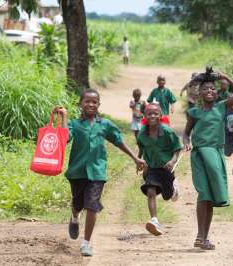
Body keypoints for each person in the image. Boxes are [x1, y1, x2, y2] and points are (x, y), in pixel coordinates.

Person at [54, 89, 146, 257]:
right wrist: (64, 117)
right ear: (80, 104)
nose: (90, 104)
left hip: (97, 172)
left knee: (92, 206)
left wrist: (135, 158)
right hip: (77, 171)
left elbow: (119, 141)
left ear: (98, 105)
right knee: (78, 204)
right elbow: (64, 138)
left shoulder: (105, 124)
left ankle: (86, 243)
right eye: (87, 101)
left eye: (94, 102)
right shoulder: (75, 124)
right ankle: (75, 216)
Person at [182, 71, 233, 250]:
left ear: (216, 92)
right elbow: (186, 133)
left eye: (212, 88)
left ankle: (203, 237)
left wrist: (225, 76)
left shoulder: (222, 106)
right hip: (200, 155)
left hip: (216, 155)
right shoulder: (194, 112)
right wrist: (186, 142)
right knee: (203, 193)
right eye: (205, 89)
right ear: (200, 93)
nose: (209, 91)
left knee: (210, 197)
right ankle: (200, 236)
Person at [137, 103, 182, 236]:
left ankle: (173, 188)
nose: (153, 115)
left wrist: (172, 160)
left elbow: (177, 148)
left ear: (161, 115)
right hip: (151, 168)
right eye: (149, 113)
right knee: (150, 191)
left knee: (167, 196)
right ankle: (154, 220)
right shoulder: (142, 133)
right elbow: (141, 148)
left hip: (166, 169)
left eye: (156, 113)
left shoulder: (167, 131)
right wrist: (139, 161)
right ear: (144, 116)